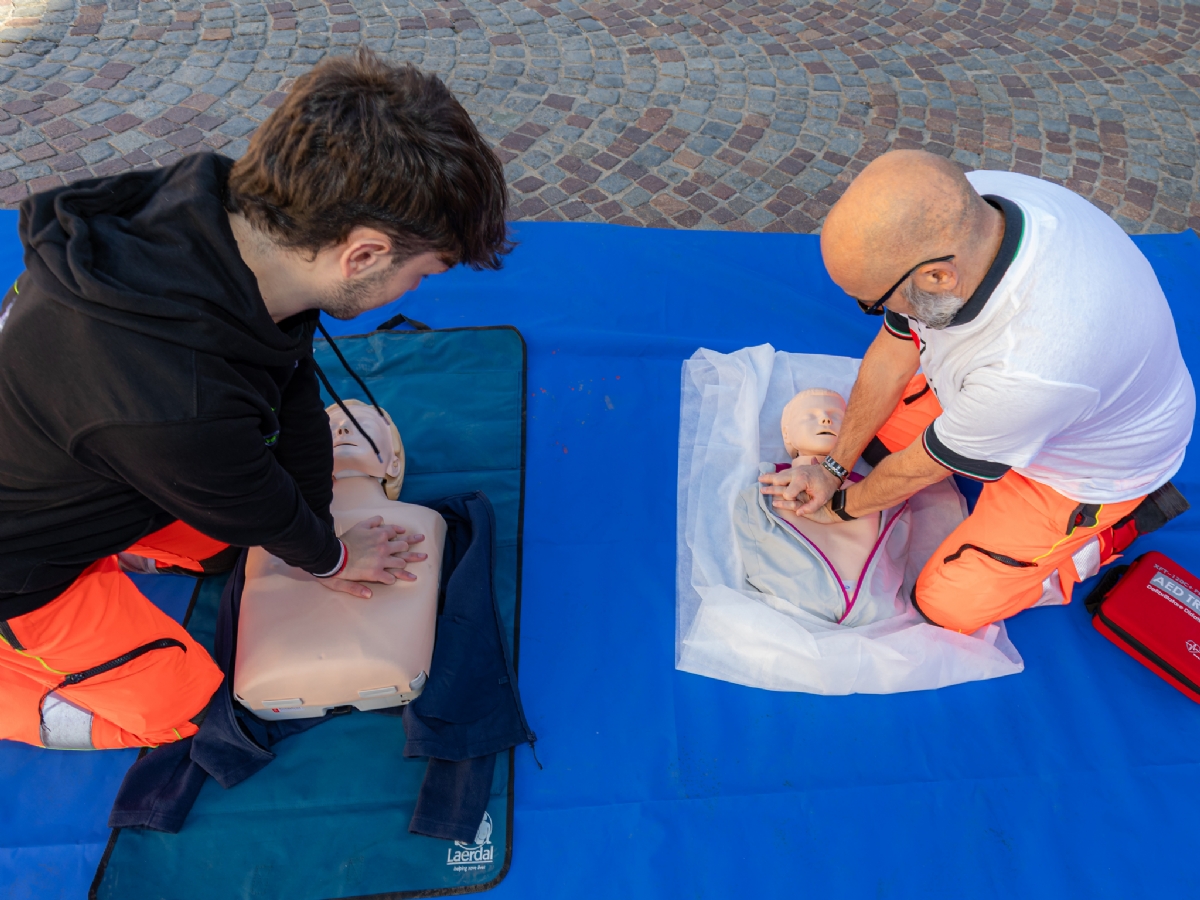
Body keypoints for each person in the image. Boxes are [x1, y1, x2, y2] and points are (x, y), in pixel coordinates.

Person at [0, 49, 510, 750]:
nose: (416, 292)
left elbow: (288, 374)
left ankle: (140, 543)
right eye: (419, 273)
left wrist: (319, 520)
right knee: (176, 707)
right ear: (361, 255)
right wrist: (328, 558)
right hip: (20, 571)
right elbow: (246, 487)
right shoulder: (177, 401)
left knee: (237, 536)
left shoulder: (217, 213)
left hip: (94, 456)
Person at [760, 150, 1194, 634]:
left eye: (871, 302)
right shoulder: (967, 204)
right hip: (1017, 404)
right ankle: (982, 448)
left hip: (1080, 471)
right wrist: (835, 466)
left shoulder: (1031, 368)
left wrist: (841, 507)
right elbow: (896, 344)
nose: (873, 310)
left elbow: (922, 466)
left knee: (946, 604)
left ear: (939, 276)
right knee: (878, 445)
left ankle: (1110, 529)